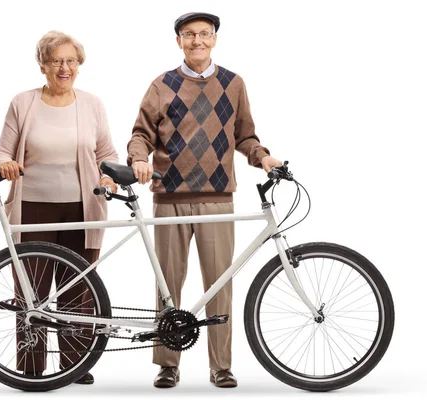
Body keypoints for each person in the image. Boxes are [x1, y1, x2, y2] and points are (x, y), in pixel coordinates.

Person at [127, 12, 283, 388]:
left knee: (219, 283)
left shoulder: (233, 84)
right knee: (168, 285)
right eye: (189, 34)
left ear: (214, 39)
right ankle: (168, 363)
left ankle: (221, 366)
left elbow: (245, 135)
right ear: (178, 40)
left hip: (217, 197)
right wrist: (138, 159)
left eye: (204, 34)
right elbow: (140, 134)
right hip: (169, 197)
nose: (197, 40)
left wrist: (263, 157)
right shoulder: (162, 84)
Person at [0, 30, 119, 385]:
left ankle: (74, 366)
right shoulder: (23, 102)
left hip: (82, 206)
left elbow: (107, 154)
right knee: (31, 290)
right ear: (43, 65)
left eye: (72, 61)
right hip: (32, 206)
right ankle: (31, 369)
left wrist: (109, 179)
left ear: (79, 65)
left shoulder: (91, 104)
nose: (65, 67)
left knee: (77, 288)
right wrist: (5, 164)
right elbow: (2, 150)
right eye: (57, 60)